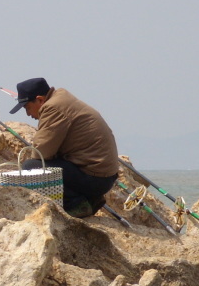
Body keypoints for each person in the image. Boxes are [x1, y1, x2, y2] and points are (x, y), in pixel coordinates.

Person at [8, 77, 119, 218]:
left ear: (40, 100)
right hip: (102, 176)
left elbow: (41, 153)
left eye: (27, 107)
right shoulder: (61, 100)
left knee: (32, 167)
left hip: (95, 179)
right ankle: (90, 199)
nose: (28, 114)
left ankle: (77, 204)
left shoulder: (53, 108)